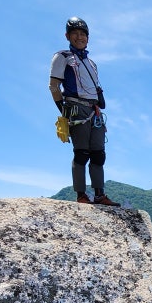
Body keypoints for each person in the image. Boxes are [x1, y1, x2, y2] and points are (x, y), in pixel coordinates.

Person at [49, 17, 120, 206]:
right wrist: (63, 110)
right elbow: (54, 86)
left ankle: (99, 194)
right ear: (67, 36)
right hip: (76, 107)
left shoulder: (91, 63)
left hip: (94, 110)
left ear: (87, 38)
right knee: (81, 152)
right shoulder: (62, 57)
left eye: (83, 34)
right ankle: (81, 195)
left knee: (98, 153)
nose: (80, 37)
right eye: (75, 34)